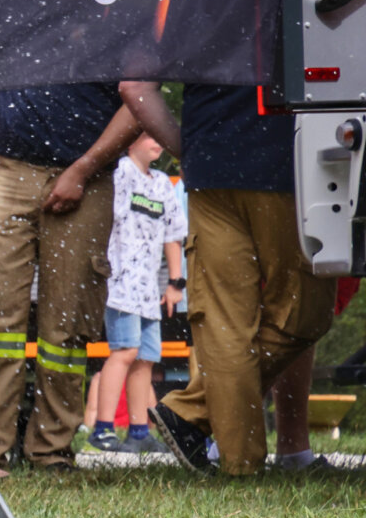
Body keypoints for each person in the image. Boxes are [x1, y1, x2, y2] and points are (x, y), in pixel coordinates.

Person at [125, 82, 335, 476]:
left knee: (225, 328)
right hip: (288, 164)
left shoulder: (194, 16)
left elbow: (133, 84)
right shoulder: (287, 16)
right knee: (305, 312)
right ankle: (191, 414)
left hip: (212, 168)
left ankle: (237, 462)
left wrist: (187, 148)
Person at [0, 84, 138, 472]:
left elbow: (140, 99)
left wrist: (84, 168)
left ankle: (52, 452)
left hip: (90, 172)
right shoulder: (4, 19)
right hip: (7, 166)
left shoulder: (115, 21)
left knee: (68, 322)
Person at [87, 131, 185, 453]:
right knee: (124, 351)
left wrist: (175, 282)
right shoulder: (118, 175)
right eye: (147, 135)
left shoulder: (162, 184)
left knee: (145, 359)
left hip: (148, 289)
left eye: (160, 134)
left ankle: (139, 431)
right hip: (119, 283)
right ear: (129, 140)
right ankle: (102, 429)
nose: (157, 140)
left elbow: (173, 234)